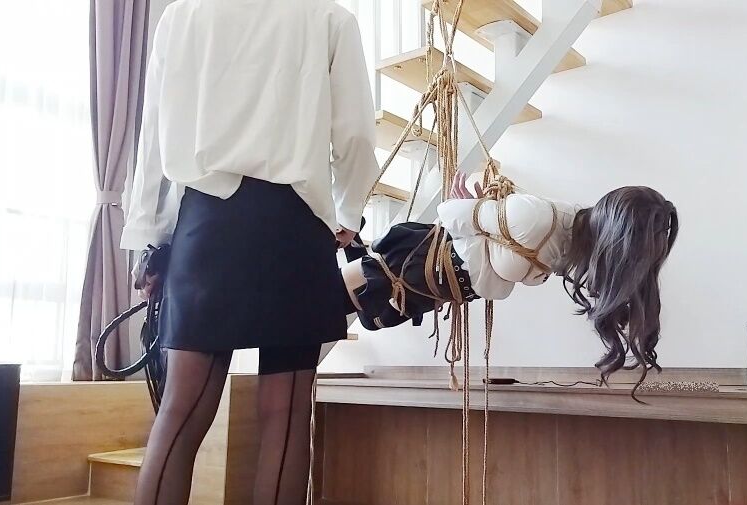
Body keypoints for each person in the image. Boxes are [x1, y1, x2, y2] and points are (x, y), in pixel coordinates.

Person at [121, 1, 379, 504]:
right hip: (294, 226)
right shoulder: (329, 17)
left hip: (205, 226)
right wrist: (348, 210)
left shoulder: (182, 15)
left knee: (181, 411)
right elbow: (354, 135)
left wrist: (151, 236)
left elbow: (153, 136)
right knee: (285, 416)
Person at [342, 173, 679, 381]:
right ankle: (345, 235)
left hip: (442, 285)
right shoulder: (536, 218)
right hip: (416, 263)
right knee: (333, 299)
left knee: (369, 320)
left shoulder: (573, 244)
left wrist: (480, 222)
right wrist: (475, 211)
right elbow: (449, 212)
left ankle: (348, 242)